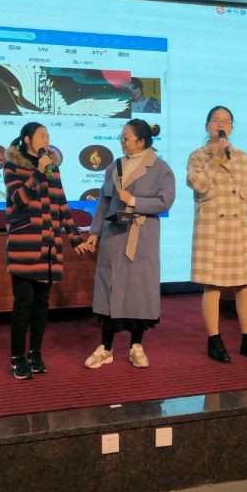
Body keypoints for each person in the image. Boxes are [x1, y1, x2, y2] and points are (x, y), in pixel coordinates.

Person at [80, 120, 175, 369]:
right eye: (121, 137)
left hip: (141, 237)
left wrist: (134, 201)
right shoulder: (114, 166)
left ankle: (136, 345)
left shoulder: (160, 168)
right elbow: (103, 202)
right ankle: (106, 347)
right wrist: (94, 232)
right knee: (109, 289)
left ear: (141, 141)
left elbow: (165, 202)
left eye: (126, 138)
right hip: (113, 235)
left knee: (139, 290)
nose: (122, 142)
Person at [187, 106, 247, 363]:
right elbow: (199, 185)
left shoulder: (242, 158)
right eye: (216, 120)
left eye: (226, 121)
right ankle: (214, 340)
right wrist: (216, 158)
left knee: (244, 285)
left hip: (237, 229)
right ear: (207, 126)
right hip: (211, 230)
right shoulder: (197, 156)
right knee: (212, 285)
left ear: (232, 127)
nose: (221, 124)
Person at [3, 122, 87, 379]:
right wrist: (38, 173)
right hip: (24, 247)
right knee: (23, 305)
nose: (46, 140)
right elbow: (19, 199)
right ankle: (17, 357)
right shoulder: (12, 167)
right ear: (27, 140)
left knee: (41, 305)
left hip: (49, 247)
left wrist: (75, 238)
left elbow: (61, 204)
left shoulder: (53, 167)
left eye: (48, 136)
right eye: (41, 136)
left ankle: (35, 353)